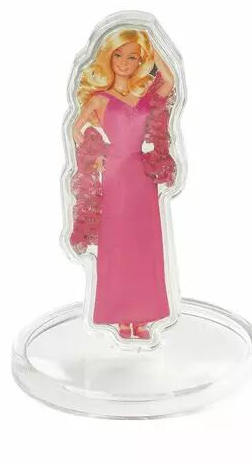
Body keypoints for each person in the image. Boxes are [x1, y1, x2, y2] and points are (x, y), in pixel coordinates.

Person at [70, 29, 176, 340]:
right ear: (108, 57)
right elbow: (76, 129)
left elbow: (169, 81)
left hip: (141, 176)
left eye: (132, 57)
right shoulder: (99, 99)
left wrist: (152, 44)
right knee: (117, 245)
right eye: (118, 55)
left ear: (141, 61)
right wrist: (94, 153)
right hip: (115, 176)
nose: (124, 62)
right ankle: (120, 316)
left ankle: (142, 317)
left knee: (144, 245)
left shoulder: (145, 99)